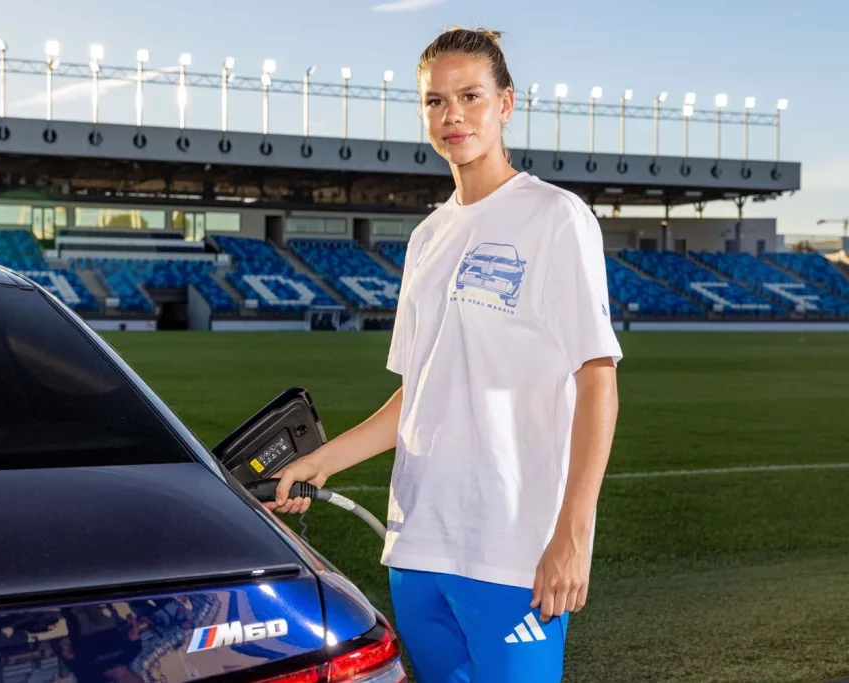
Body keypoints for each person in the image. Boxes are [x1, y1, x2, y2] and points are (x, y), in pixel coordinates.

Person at [266, 26, 622, 683]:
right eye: (435, 101)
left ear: (506, 104)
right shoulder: (427, 238)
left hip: (513, 551)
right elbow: (419, 394)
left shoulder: (556, 218)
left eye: (470, 96)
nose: (452, 114)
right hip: (418, 547)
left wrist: (574, 533)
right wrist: (321, 460)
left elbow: (597, 378)